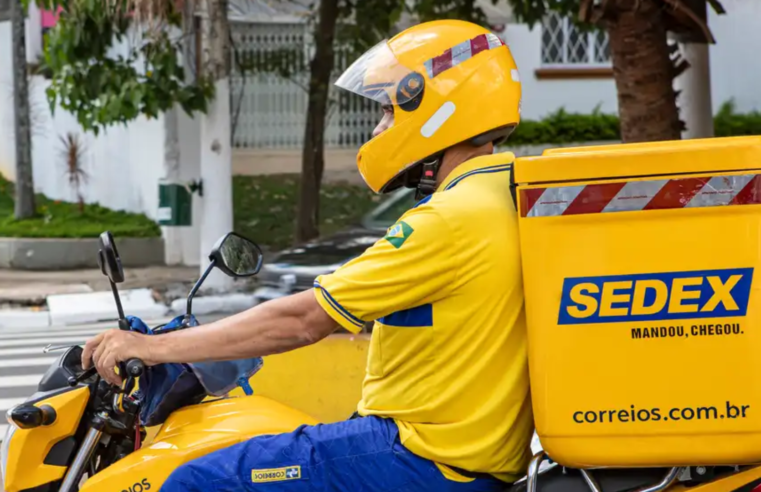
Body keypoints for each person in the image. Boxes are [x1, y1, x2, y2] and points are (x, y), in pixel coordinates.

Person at [82, 19, 533, 492]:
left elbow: (303, 320)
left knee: (196, 480)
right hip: (467, 454)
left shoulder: (447, 218)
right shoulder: (506, 194)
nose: (380, 128)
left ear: (439, 108)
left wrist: (153, 348)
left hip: (420, 457)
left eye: (387, 112)